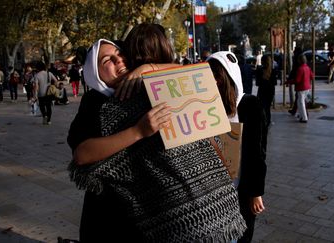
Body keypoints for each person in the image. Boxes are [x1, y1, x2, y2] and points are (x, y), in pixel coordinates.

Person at [69, 23, 246, 242]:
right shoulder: (96, 103)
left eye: (120, 54)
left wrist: (148, 69)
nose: (119, 61)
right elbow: (82, 154)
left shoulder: (149, 86)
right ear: (93, 72)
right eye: (107, 61)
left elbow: (197, 72)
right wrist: (138, 131)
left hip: (163, 216)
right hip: (111, 215)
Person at [207, 52, 268, 243]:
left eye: (217, 76)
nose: (214, 82)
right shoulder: (204, 106)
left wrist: (255, 192)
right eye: (209, 76)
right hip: (211, 191)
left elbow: (257, 153)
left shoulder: (249, 105)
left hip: (239, 189)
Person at [286, 55, 313, 123]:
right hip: (307, 87)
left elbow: (297, 80)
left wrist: (289, 81)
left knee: (301, 103)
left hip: (301, 88)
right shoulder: (308, 67)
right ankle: (301, 116)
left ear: (300, 60)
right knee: (299, 102)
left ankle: (304, 118)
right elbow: (312, 76)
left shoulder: (300, 69)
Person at [256, 55, 277, 128]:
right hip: (270, 92)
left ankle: (262, 121)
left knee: (261, 107)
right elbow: (275, 83)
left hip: (262, 91)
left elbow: (257, 83)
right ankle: (268, 121)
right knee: (267, 108)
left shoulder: (259, 70)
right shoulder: (273, 70)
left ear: (262, 61)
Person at [288, 46, 303, 115]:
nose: (293, 52)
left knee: (299, 96)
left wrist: (289, 79)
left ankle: (301, 112)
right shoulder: (302, 57)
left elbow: (294, 69)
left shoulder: (297, 58)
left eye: (294, 51)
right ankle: (294, 110)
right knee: (299, 96)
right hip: (303, 79)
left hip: (298, 78)